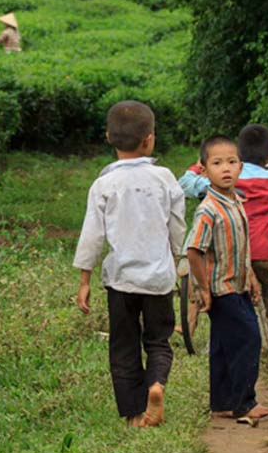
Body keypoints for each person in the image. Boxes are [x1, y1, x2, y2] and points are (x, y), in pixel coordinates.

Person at [74, 101, 186, 428]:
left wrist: (84, 280)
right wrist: (177, 262)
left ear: (109, 137)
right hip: (159, 279)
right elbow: (177, 227)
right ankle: (156, 385)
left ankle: (135, 414)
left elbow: (92, 235)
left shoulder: (104, 185)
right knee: (158, 341)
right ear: (149, 140)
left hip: (120, 280)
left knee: (123, 347)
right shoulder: (165, 178)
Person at [179, 124, 268, 354]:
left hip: (228, 254)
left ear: (238, 156)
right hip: (264, 252)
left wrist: (198, 166)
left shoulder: (219, 180)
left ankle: (191, 325)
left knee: (211, 283)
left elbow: (185, 184)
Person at [185, 135, 268, 421]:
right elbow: (194, 250)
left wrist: (252, 278)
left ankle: (221, 402)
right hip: (221, 289)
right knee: (250, 338)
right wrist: (203, 288)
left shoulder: (237, 202)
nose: (226, 169)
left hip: (238, 285)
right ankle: (245, 402)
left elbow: (241, 246)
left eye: (232, 162)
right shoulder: (208, 209)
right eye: (217, 163)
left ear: (241, 166)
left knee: (223, 345)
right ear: (203, 169)